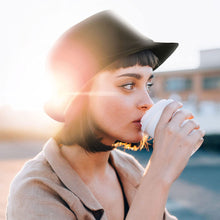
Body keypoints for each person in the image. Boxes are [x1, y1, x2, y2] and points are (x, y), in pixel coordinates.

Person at [7, 11, 205, 220]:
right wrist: (158, 176)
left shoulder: (127, 168)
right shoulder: (34, 194)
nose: (147, 102)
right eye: (128, 85)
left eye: (148, 85)